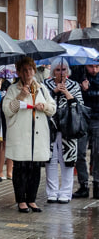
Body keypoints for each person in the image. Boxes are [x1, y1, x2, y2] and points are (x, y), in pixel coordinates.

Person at [3, 57, 56, 213]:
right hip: (21, 134)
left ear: (34, 70)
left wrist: (44, 106)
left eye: (30, 69)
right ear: (19, 72)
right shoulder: (13, 89)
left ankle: (32, 199)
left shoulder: (41, 88)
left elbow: (53, 107)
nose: (28, 73)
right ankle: (21, 200)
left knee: (35, 168)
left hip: (38, 134)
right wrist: (20, 96)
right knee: (21, 167)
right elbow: (7, 110)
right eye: (24, 70)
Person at [44, 58, 84, 204]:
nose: (61, 73)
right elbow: (43, 102)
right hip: (51, 127)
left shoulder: (74, 85)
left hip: (69, 128)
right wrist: (54, 92)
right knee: (51, 160)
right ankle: (52, 192)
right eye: (58, 70)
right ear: (53, 71)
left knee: (68, 161)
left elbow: (79, 104)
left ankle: (66, 193)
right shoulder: (45, 84)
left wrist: (67, 93)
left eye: (64, 70)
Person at [76, 63, 99, 198]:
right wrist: (81, 89)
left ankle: (97, 183)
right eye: (91, 66)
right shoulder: (79, 75)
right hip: (82, 119)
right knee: (79, 152)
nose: (94, 70)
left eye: (97, 66)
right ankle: (83, 184)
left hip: (97, 118)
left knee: (97, 153)